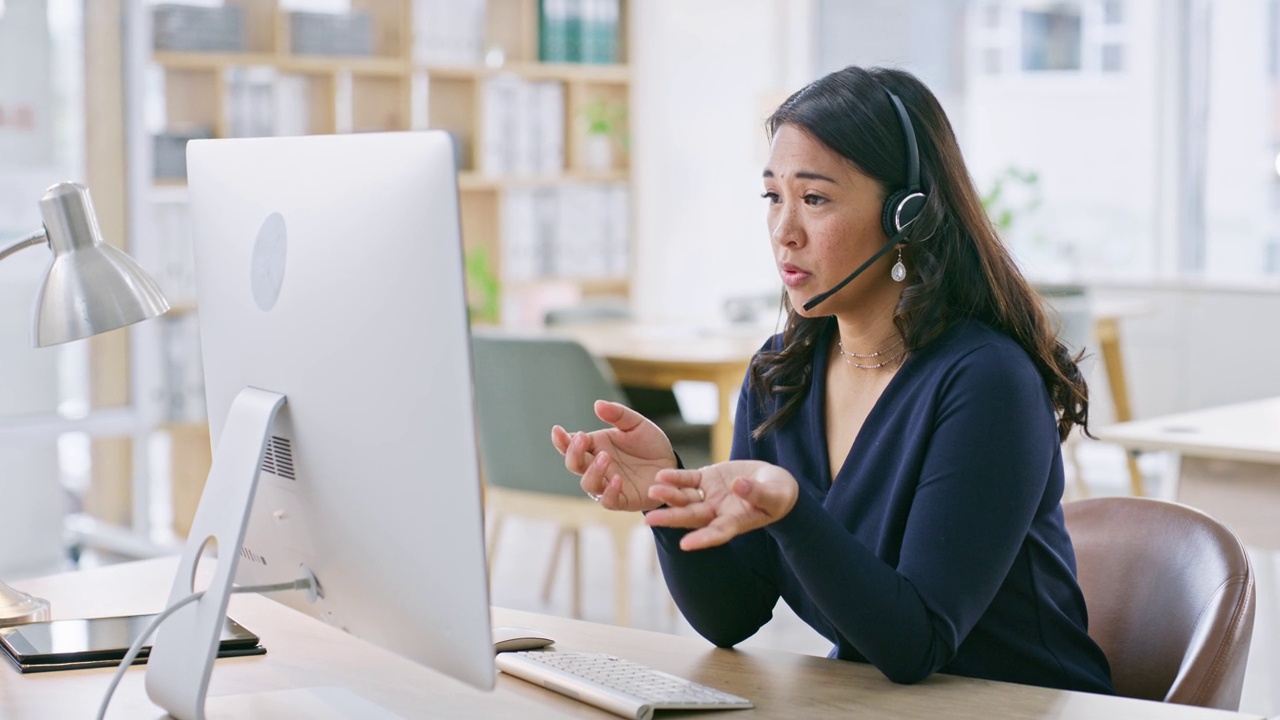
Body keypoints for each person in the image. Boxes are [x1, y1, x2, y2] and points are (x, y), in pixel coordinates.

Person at [550, 65, 1114, 694]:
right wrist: (668, 495)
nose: (784, 231)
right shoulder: (780, 376)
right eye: (773, 197)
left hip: (1017, 709)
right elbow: (732, 615)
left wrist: (790, 509)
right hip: (877, 708)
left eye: (814, 199)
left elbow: (916, 642)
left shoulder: (986, 382)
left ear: (909, 217)